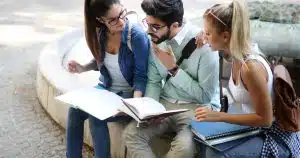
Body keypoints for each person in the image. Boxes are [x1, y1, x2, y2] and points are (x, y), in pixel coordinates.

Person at [194, 0, 300, 157]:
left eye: (208, 33)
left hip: (273, 134)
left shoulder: (250, 68)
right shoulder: (236, 52)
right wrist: (206, 38)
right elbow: (217, 42)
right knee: (201, 143)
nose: (205, 36)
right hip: (253, 128)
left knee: (214, 154)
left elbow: (265, 119)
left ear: (225, 36)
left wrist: (219, 116)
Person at [124, 0, 221, 157]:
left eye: (155, 27)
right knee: (131, 134)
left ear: (175, 25)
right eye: (147, 24)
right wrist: (152, 110)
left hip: (197, 108)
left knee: (184, 148)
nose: (149, 31)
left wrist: (174, 70)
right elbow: (154, 81)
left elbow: (205, 96)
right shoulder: (155, 39)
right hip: (166, 104)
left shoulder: (205, 46)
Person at [66, 0, 150, 157]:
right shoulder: (100, 33)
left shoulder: (136, 36)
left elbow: (141, 76)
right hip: (106, 90)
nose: (121, 21)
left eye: (122, 13)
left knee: (96, 115)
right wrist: (82, 68)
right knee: (74, 111)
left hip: (128, 95)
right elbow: (103, 63)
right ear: (100, 20)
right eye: (113, 20)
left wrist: (133, 105)